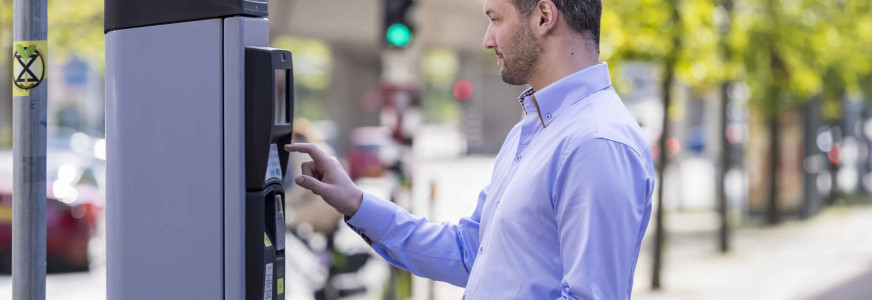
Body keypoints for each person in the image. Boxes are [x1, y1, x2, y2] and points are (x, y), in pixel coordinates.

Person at [285, 0, 655, 298]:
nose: (487, 40)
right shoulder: (533, 130)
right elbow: (468, 252)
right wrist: (355, 202)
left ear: (543, 16)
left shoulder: (595, 143)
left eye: (495, 19)